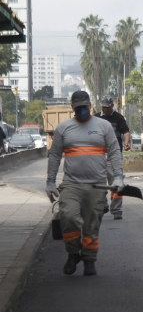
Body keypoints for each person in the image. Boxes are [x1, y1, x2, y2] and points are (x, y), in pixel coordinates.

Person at [46, 91, 124, 276]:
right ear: (72, 108)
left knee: (91, 225)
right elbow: (55, 155)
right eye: (78, 107)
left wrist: (119, 176)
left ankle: (89, 259)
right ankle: (73, 254)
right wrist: (50, 181)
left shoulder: (103, 126)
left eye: (85, 107)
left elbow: (114, 151)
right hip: (71, 185)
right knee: (68, 217)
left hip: (97, 186)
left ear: (91, 106)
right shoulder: (64, 128)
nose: (82, 110)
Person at [96, 95, 131, 220]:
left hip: (114, 155)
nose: (106, 109)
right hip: (98, 156)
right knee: (99, 183)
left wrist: (127, 142)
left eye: (108, 107)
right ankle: (102, 206)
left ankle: (116, 210)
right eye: (104, 107)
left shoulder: (118, 117)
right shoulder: (95, 118)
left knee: (116, 182)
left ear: (112, 106)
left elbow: (125, 131)